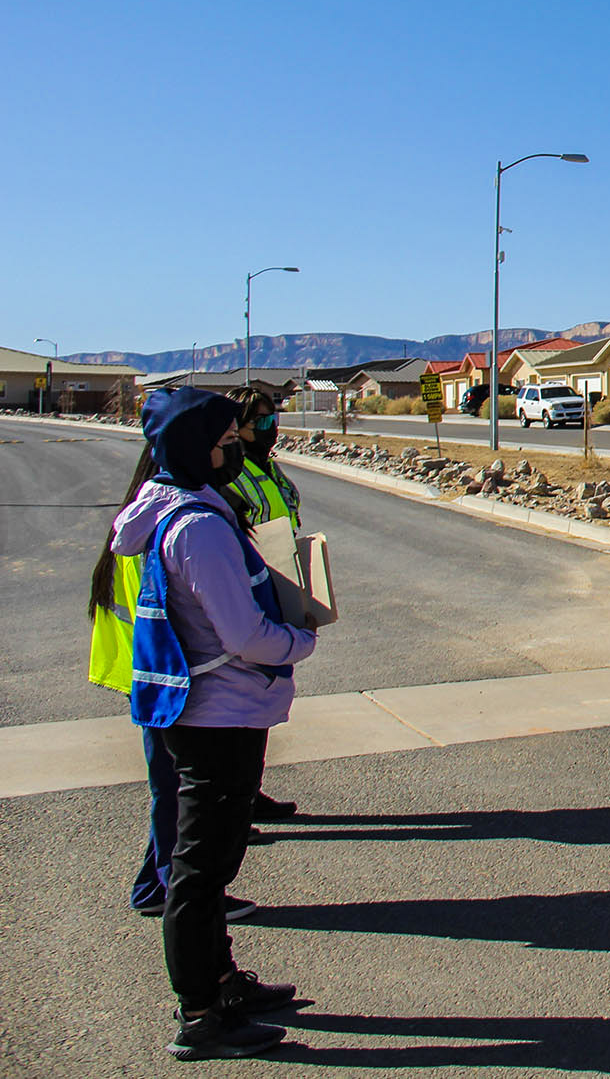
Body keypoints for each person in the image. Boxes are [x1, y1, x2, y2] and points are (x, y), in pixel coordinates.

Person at [112, 388, 319, 1060]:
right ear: (195, 445)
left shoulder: (180, 506)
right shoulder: (198, 526)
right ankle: (201, 1013)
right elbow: (242, 631)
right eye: (226, 437)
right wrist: (298, 641)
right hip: (217, 712)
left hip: (213, 707)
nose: (237, 445)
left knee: (212, 862)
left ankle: (222, 980)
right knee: (199, 872)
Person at [88, 448, 260, 924]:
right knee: (174, 792)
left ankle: (154, 882)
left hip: (152, 675)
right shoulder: (161, 533)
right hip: (163, 679)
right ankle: (170, 887)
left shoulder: (139, 523)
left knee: (173, 788)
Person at [223, 387, 304, 823]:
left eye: (275, 420)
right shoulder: (231, 475)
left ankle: (248, 794)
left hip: (277, 590)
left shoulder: (266, 468)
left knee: (261, 704)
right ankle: (230, 808)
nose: (273, 430)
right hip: (246, 597)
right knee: (238, 707)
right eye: (264, 422)